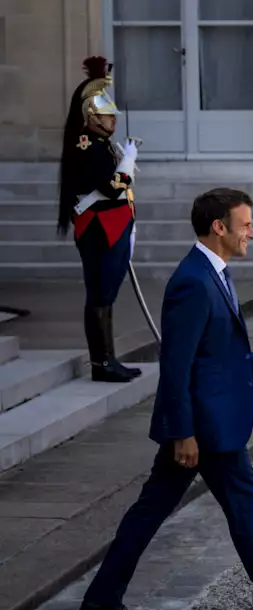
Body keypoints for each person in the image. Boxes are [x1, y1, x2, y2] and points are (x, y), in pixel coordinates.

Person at [78, 189, 253, 610]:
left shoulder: (212, 272)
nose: (252, 234)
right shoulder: (193, 282)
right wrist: (183, 433)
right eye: (246, 226)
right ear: (219, 227)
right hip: (206, 428)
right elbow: (177, 364)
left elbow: (222, 347)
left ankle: (103, 597)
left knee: (155, 512)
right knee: (245, 510)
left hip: (208, 423)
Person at [55, 56, 142, 383]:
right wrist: (128, 164)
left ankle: (107, 360)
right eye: (106, 115)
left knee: (105, 295)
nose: (112, 121)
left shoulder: (101, 144)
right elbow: (110, 188)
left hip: (112, 225)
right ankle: (102, 363)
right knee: (101, 294)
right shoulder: (88, 146)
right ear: (91, 117)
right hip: (101, 227)